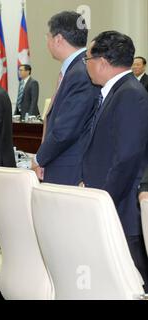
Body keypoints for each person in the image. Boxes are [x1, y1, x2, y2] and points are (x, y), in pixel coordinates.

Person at [82, 31, 148, 289]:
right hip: (110, 201)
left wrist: (103, 200)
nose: (85, 64)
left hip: (121, 207)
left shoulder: (130, 94)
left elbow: (127, 158)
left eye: (87, 58)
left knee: (133, 282)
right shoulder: (116, 91)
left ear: (102, 61)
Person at [31, 11, 100, 185]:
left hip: (69, 168)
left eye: (48, 36)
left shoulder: (81, 71)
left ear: (58, 39)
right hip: (62, 162)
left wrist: (39, 158)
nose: (47, 42)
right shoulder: (78, 68)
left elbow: (66, 129)